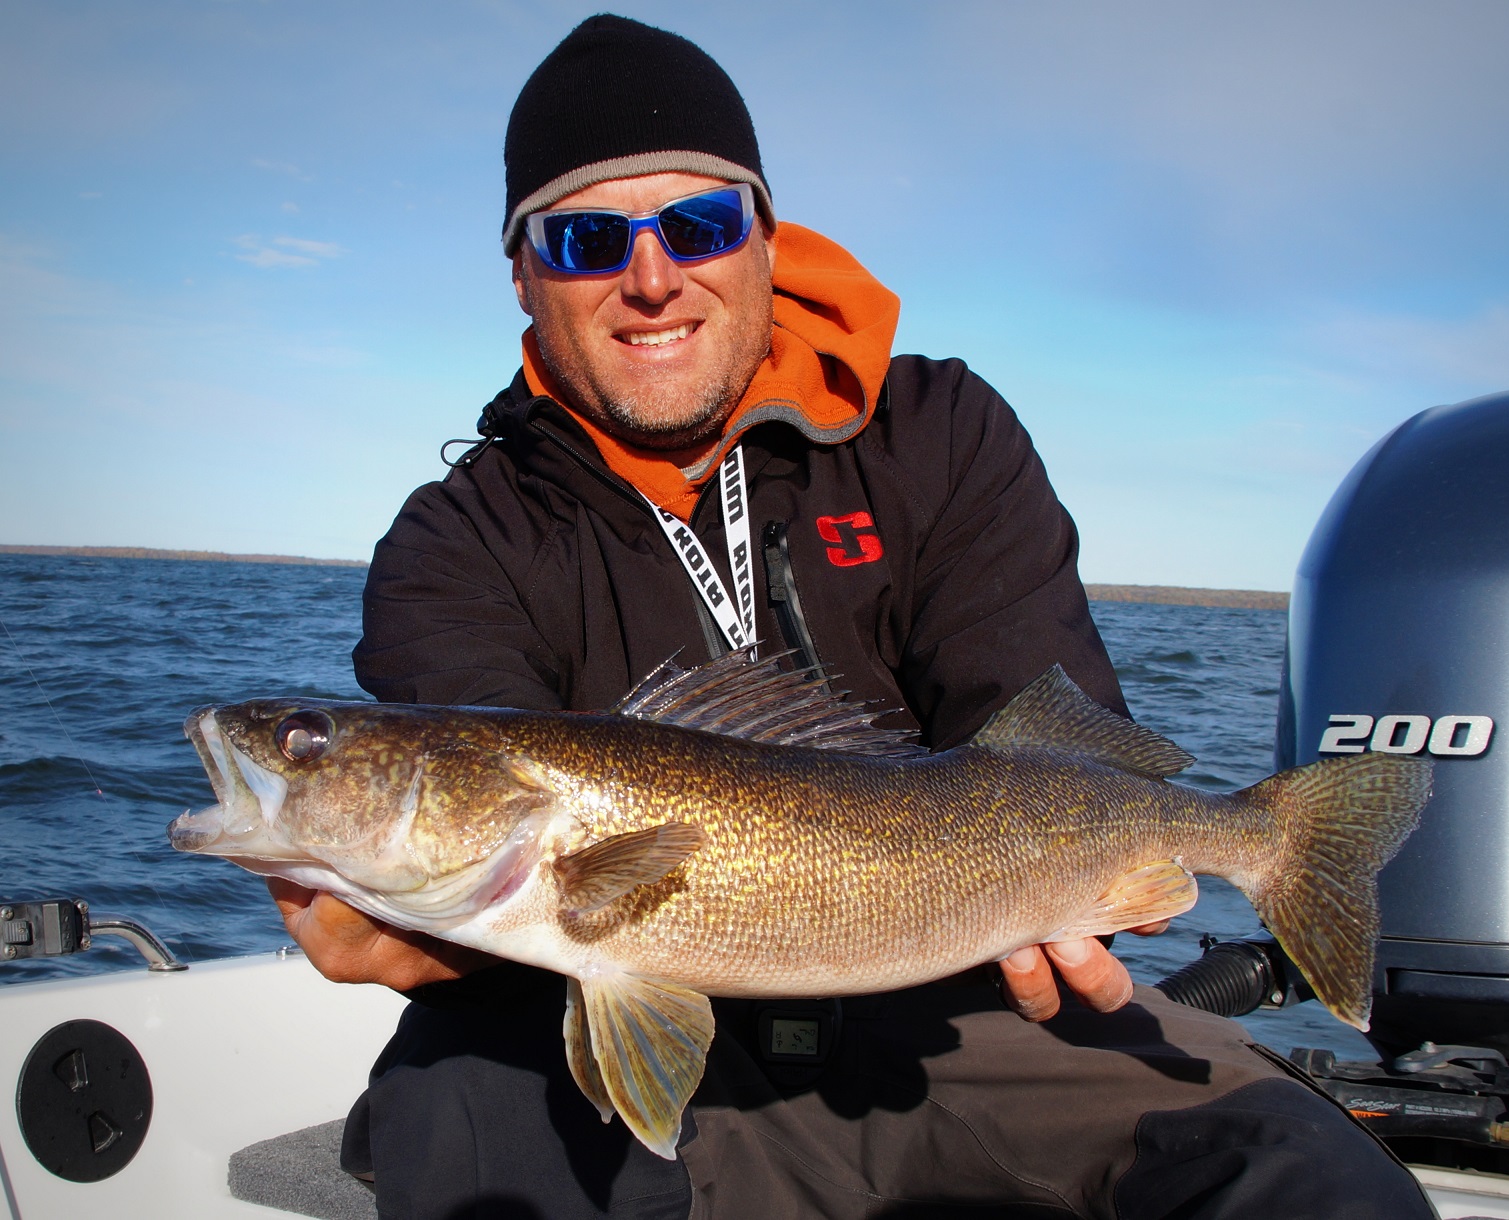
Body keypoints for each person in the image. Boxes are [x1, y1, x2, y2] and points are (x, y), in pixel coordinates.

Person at [268, 15, 1435, 1219]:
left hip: (963, 1009)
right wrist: (415, 920)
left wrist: (1124, 873)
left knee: (1315, 1184)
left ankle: (1278, 846)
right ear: (522, 271)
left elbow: (1036, 721)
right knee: (466, 1129)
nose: (653, 275)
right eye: (584, 237)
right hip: (632, 1039)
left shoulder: (941, 430)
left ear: (767, 237)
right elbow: (493, 822)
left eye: (702, 223)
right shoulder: (457, 539)